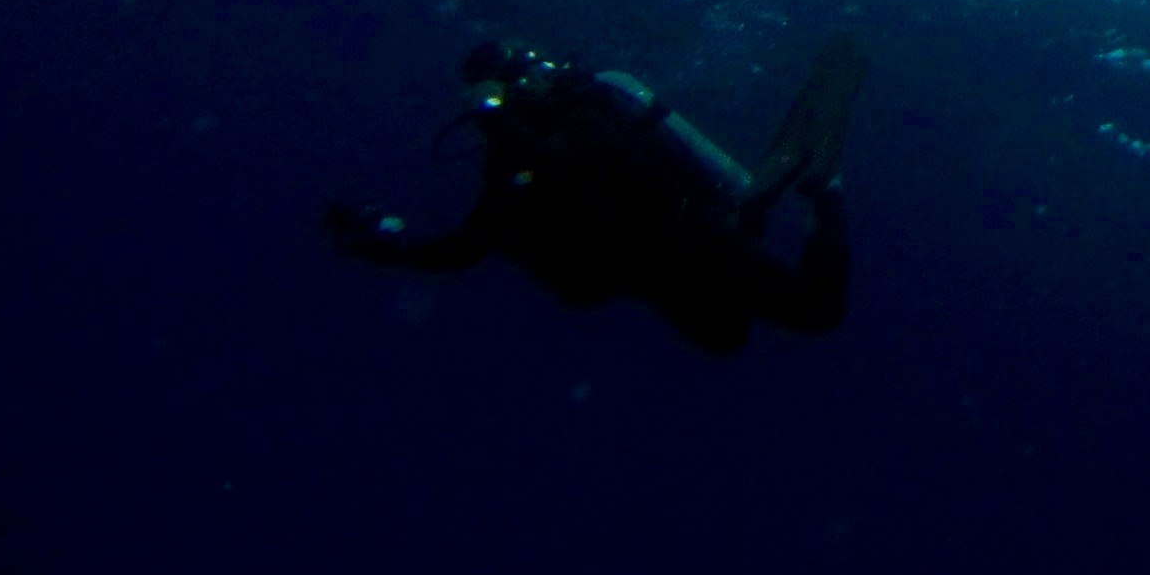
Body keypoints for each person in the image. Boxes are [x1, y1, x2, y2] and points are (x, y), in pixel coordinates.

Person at [324, 35, 864, 354]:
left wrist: (493, 115)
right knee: (726, 340)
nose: (495, 98)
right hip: (650, 273)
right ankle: (760, 209)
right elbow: (463, 247)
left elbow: (574, 163)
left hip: (687, 239)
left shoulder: (580, 110)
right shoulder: (508, 163)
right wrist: (387, 242)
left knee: (816, 313)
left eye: (498, 85)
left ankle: (825, 193)